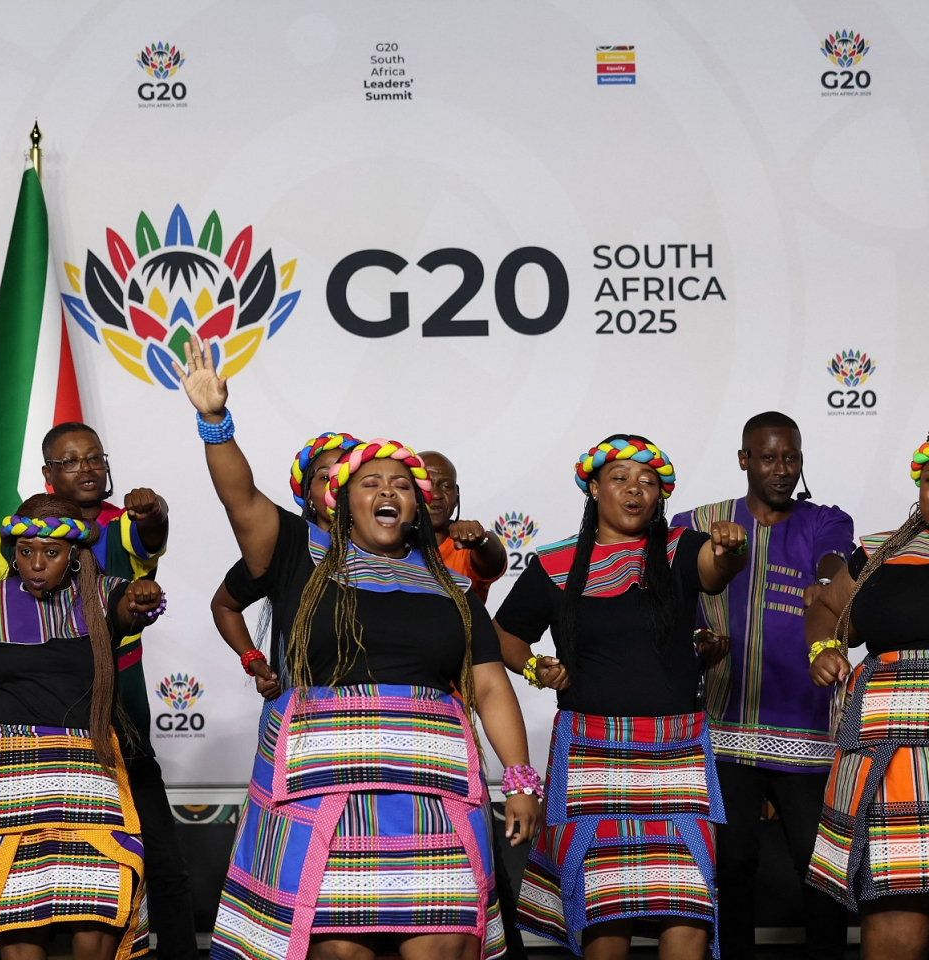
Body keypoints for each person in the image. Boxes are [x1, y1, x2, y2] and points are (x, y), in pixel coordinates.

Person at [174, 335, 541, 960]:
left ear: (418, 505)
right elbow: (240, 497)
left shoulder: (452, 588)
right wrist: (215, 421)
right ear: (340, 500)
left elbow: (488, 684)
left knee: (448, 942)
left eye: (402, 484)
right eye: (370, 482)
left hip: (432, 795)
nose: (388, 491)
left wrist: (521, 779)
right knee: (339, 951)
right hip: (325, 797)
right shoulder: (297, 556)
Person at [495, 436, 748, 960]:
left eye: (647, 482)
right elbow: (504, 635)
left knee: (688, 903)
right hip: (592, 753)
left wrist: (730, 549)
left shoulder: (680, 549)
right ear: (593, 488)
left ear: (660, 496)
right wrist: (535, 667)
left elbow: (716, 570)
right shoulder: (556, 563)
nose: (635, 490)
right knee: (605, 910)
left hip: (675, 751)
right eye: (620, 479)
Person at [0, 423, 196, 960]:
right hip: (37, 727)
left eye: (95, 458)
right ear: (47, 474)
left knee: (159, 856)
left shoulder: (121, 525)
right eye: (71, 461)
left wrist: (154, 511)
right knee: (37, 870)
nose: (87, 468)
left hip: (118, 711)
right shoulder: (18, 535)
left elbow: (152, 535)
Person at [0, 497, 168, 960]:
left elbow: (132, 610)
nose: (36, 563)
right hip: (10, 772)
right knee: (20, 914)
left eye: (50, 552)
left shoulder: (103, 595)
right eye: (25, 551)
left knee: (100, 907)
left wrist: (142, 598)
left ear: (74, 554)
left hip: (88, 769)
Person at [671, 412, 853, 960]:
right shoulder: (697, 522)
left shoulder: (824, 519)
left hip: (805, 730)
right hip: (724, 729)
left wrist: (826, 582)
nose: (782, 469)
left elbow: (834, 556)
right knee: (732, 863)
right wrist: (696, 642)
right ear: (744, 460)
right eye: (769, 457)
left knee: (818, 865)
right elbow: (674, 603)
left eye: (791, 458)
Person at [806, 436, 929, 960]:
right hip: (886, 751)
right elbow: (825, 607)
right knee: (896, 895)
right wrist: (824, 648)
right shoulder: (881, 551)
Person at [210, 432, 360, 702]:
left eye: (347, 476)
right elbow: (224, 606)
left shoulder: (395, 553)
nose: (336, 485)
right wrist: (254, 661)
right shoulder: (288, 546)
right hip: (303, 715)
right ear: (309, 495)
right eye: (325, 477)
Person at [422, 451, 507, 604]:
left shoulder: (467, 546)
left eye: (446, 486)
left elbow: (493, 559)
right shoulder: (388, 545)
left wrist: (481, 540)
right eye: (425, 486)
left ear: (456, 496)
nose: (436, 494)